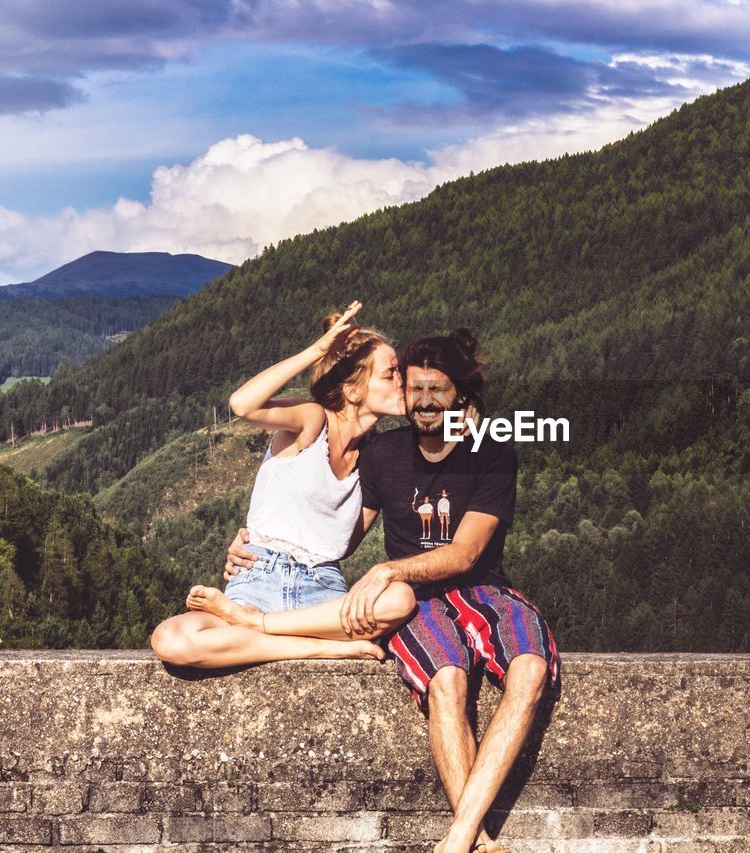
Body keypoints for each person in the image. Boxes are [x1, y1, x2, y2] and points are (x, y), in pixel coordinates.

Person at [226, 327, 558, 853]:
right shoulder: (381, 454)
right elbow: (333, 533)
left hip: (485, 590)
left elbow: (466, 554)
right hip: (420, 601)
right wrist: (255, 540)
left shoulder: (492, 453)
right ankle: (481, 843)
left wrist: (389, 571)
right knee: (446, 680)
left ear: (461, 396)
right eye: (413, 386)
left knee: (532, 669)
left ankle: (460, 837)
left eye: (437, 390)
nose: (422, 400)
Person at [150, 301, 417, 668]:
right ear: (354, 391)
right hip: (260, 579)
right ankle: (318, 648)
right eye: (391, 375)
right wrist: (319, 350)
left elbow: (343, 545)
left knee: (399, 598)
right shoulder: (313, 421)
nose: (403, 383)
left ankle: (260, 630)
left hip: (323, 594)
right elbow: (243, 404)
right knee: (171, 639)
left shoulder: (377, 459)